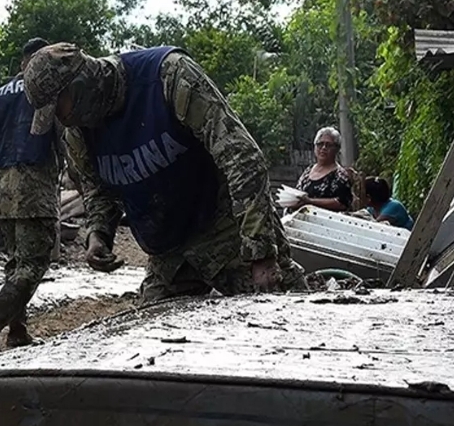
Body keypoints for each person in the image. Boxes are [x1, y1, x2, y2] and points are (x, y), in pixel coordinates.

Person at [22, 42, 307, 303]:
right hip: (168, 253)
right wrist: (98, 233)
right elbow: (97, 188)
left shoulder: (168, 76)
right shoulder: (78, 132)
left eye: (58, 108)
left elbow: (241, 157)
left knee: (287, 321)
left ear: (80, 85)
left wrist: (260, 252)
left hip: (227, 231)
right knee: (151, 340)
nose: (60, 119)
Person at [0, 37, 61, 355]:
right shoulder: (47, 92)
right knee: (33, 265)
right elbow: (65, 142)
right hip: (35, 190)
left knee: (14, 264)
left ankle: (17, 330)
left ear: (21, 63)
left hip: (4, 191)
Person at [293, 127, 354, 212]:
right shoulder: (308, 171)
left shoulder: (340, 175)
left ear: (336, 149)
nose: (323, 148)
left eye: (328, 145)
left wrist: (310, 202)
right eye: (320, 144)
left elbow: (342, 203)